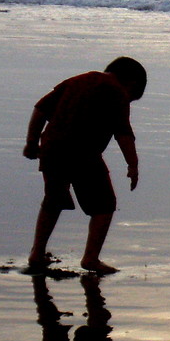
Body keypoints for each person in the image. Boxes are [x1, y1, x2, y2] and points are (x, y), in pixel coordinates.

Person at [23, 57, 146, 273]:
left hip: (51, 149)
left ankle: (36, 253)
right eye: (132, 98)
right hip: (83, 154)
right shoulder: (116, 92)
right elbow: (123, 134)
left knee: (53, 199)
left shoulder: (77, 81)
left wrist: (31, 142)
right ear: (132, 83)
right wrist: (133, 165)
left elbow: (41, 109)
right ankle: (90, 258)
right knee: (105, 205)